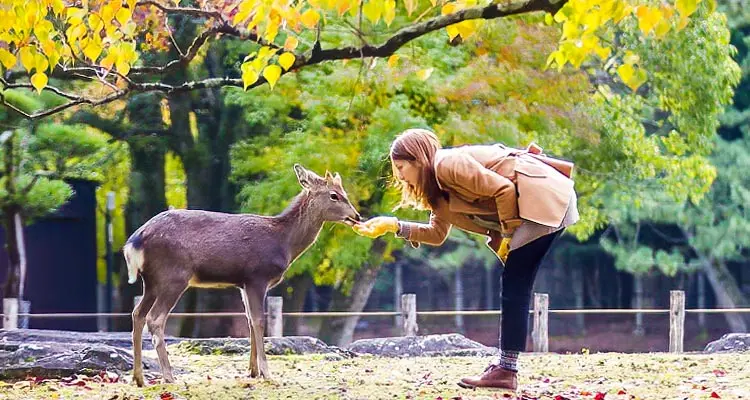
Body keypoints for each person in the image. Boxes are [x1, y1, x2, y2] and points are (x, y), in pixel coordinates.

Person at [352, 128, 578, 391]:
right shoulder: (437, 189)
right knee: (516, 283)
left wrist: (507, 237)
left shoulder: (447, 164)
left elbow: (504, 190)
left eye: (401, 167)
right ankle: (506, 368)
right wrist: (393, 225)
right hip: (539, 201)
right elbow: (437, 234)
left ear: (417, 159)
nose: (400, 175)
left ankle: (506, 370)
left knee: (515, 283)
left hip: (544, 197)